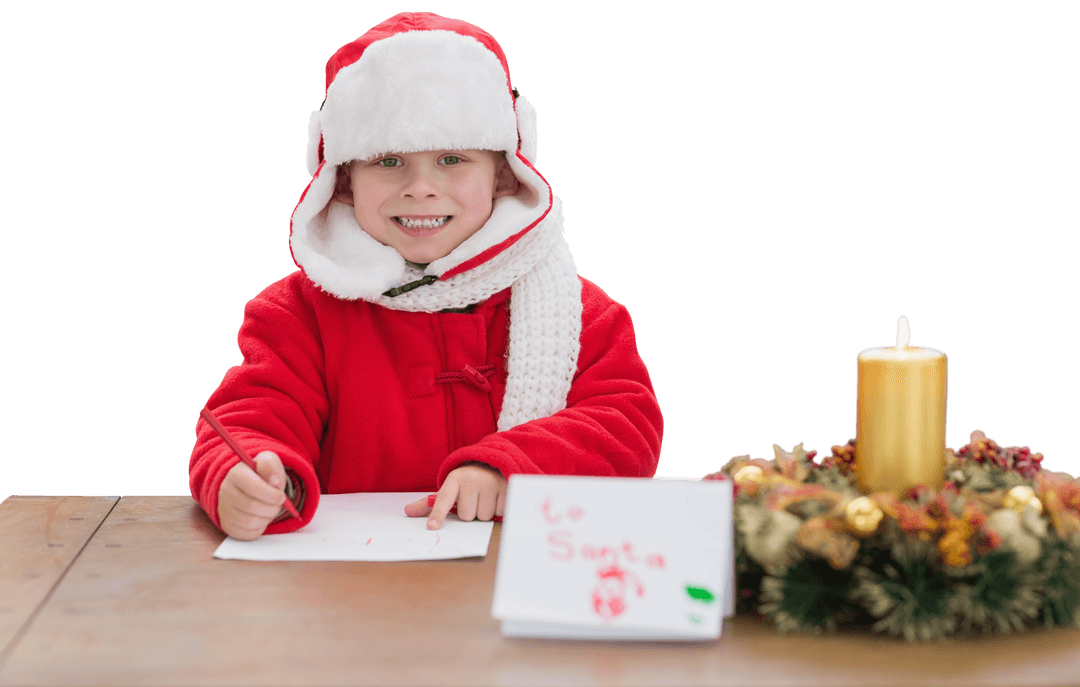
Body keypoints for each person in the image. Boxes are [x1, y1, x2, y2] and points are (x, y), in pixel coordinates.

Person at [188, 11, 664, 541]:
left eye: (452, 158)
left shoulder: (580, 311)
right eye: (388, 161)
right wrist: (245, 477)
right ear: (343, 181)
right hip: (350, 593)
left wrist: (506, 467)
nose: (420, 188)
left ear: (503, 174)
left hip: (516, 578)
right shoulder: (299, 313)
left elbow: (627, 424)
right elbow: (250, 417)